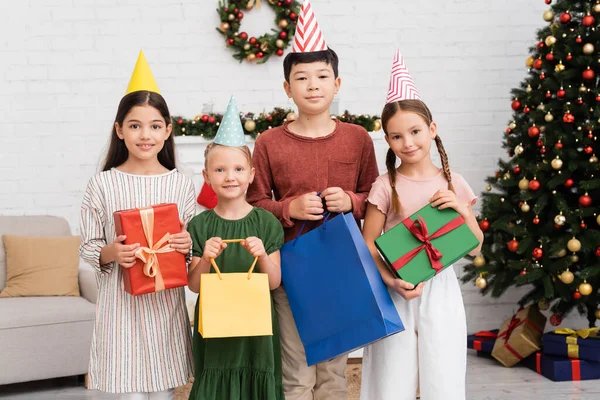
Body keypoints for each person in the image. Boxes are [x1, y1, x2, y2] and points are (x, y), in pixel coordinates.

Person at [246, 1, 379, 398]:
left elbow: (376, 195)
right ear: (287, 88)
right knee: (298, 368)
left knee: (334, 372)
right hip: (292, 268)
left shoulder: (357, 137)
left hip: (342, 266)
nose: (313, 85)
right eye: (302, 78)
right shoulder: (269, 142)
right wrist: (288, 208)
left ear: (337, 84)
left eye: (322, 76)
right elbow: (253, 203)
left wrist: (352, 201)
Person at [360, 49, 484, 400]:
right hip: (396, 286)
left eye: (415, 131)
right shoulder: (385, 186)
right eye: (397, 136)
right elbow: (369, 242)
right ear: (387, 140)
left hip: (441, 288)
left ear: (432, 129)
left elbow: (475, 245)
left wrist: (462, 210)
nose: (408, 142)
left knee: (443, 375)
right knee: (390, 378)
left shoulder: (453, 183)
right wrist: (390, 280)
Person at [79, 51, 195, 399]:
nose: (146, 135)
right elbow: (87, 244)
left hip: (165, 308)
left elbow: (191, 246)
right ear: (119, 130)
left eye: (155, 126)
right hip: (120, 309)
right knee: (129, 392)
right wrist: (110, 252)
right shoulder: (103, 184)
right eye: (135, 125)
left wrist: (186, 248)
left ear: (168, 130)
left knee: (163, 391)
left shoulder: (180, 184)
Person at [187, 96, 285, 400]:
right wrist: (205, 259)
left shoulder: (267, 223)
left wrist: (261, 257)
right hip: (216, 325)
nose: (230, 176)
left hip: (256, 327)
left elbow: (274, 281)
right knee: (216, 374)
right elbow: (192, 285)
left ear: (251, 175)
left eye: (239, 169)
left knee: (256, 377)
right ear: (206, 177)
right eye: (220, 170)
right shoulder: (198, 226)